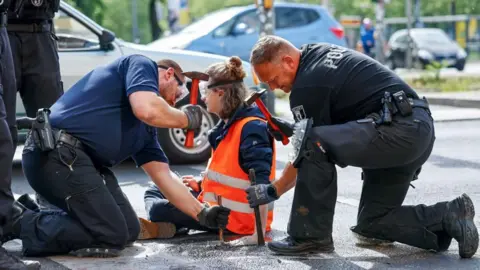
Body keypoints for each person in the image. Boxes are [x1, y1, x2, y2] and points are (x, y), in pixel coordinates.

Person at [245, 35, 479, 258]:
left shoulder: (306, 86)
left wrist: (272, 190)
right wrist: (294, 128)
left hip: (397, 131)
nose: (274, 87)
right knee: (373, 222)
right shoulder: (316, 54)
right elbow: (332, 119)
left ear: (287, 61)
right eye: (268, 84)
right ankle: (448, 215)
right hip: (414, 129)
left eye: (274, 79)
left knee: (311, 141)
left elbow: (308, 149)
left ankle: (309, 235)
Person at [0, 54, 231, 258]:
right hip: (55, 155)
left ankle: (41, 215)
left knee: (129, 229)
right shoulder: (141, 65)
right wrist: (186, 119)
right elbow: (147, 109)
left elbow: (164, 177)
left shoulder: (147, 132)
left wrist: (202, 214)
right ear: (169, 74)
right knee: (112, 234)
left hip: (80, 164)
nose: (175, 101)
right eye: (178, 93)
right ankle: (19, 222)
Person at [138, 56, 276, 246]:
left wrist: (256, 235)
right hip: (218, 206)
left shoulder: (251, 128)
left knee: (158, 209)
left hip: (233, 220)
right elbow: (231, 174)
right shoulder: (227, 125)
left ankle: (172, 225)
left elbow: (261, 185)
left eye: (205, 91)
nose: (202, 97)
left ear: (220, 92)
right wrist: (201, 184)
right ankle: (175, 226)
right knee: (157, 189)